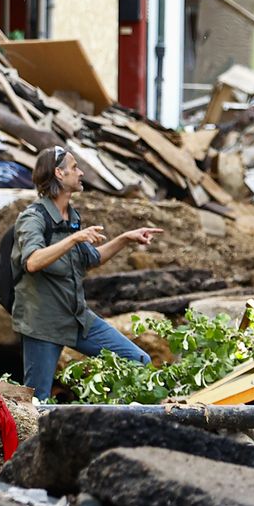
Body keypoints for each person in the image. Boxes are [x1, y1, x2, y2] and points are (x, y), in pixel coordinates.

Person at [13, 146, 165, 400]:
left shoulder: (71, 217)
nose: (81, 173)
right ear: (59, 174)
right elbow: (32, 261)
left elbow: (91, 259)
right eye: (75, 168)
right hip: (43, 324)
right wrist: (73, 239)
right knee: (36, 401)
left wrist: (125, 239)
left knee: (139, 360)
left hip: (78, 319)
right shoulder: (33, 218)